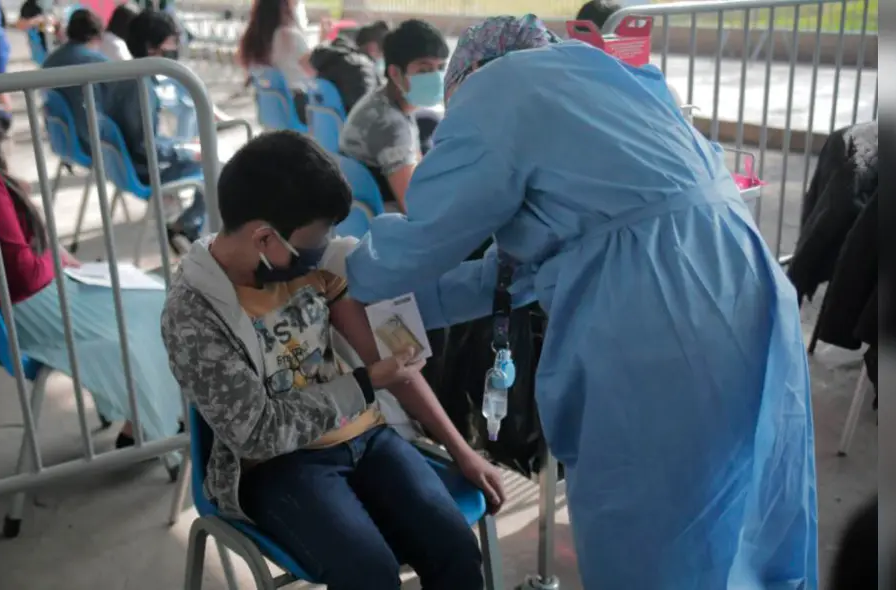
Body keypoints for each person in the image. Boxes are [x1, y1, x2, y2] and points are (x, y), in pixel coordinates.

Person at [345, 15, 817, 589]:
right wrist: (402, 311)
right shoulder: (615, 80)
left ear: (463, 79)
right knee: (755, 510)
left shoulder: (496, 90)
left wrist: (343, 271)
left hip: (660, 317)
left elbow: (423, 238)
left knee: (655, 526)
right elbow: (514, 272)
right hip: (745, 281)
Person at [161, 131, 504, 590]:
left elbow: (390, 363)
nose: (328, 244)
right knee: (368, 574)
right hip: (279, 465)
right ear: (265, 237)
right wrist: (364, 383)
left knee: (456, 550)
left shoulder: (314, 268)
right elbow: (259, 433)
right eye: (317, 235)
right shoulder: (193, 315)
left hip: (368, 438)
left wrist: (462, 452)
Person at [0, 106, 182, 448]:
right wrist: (52, 257)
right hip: (27, 307)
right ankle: (153, 426)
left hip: (5, 309)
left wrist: (48, 250)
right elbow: (20, 273)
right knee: (158, 302)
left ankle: (147, 419)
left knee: (149, 296)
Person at [106, 9, 204, 252]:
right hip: (143, 172)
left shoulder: (126, 76)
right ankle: (187, 225)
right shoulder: (141, 87)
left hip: (126, 168)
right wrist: (187, 150)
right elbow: (145, 147)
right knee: (216, 165)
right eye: (171, 41)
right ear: (152, 47)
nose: (176, 48)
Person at [339, 19, 448, 212]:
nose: (436, 78)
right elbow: (416, 207)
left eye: (440, 68)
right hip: (390, 221)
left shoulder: (384, 101)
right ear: (395, 73)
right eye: (424, 70)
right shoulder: (390, 126)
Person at [42, 9, 109, 154]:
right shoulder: (98, 63)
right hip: (93, 142)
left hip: (61, 140)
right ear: (96, 36)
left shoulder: (49, 61)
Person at [238, 0, 313, 123]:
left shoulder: (253, 39)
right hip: (296, 108)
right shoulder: (291, 36)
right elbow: (314, 70)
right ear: (284, 7)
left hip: (271, 111)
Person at [308, 21, 387, 114]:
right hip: (352, 126)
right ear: (372, 47)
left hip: (326, 126)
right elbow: (367, 112)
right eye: (382, 55)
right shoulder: (362, 69)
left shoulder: (331, 60)